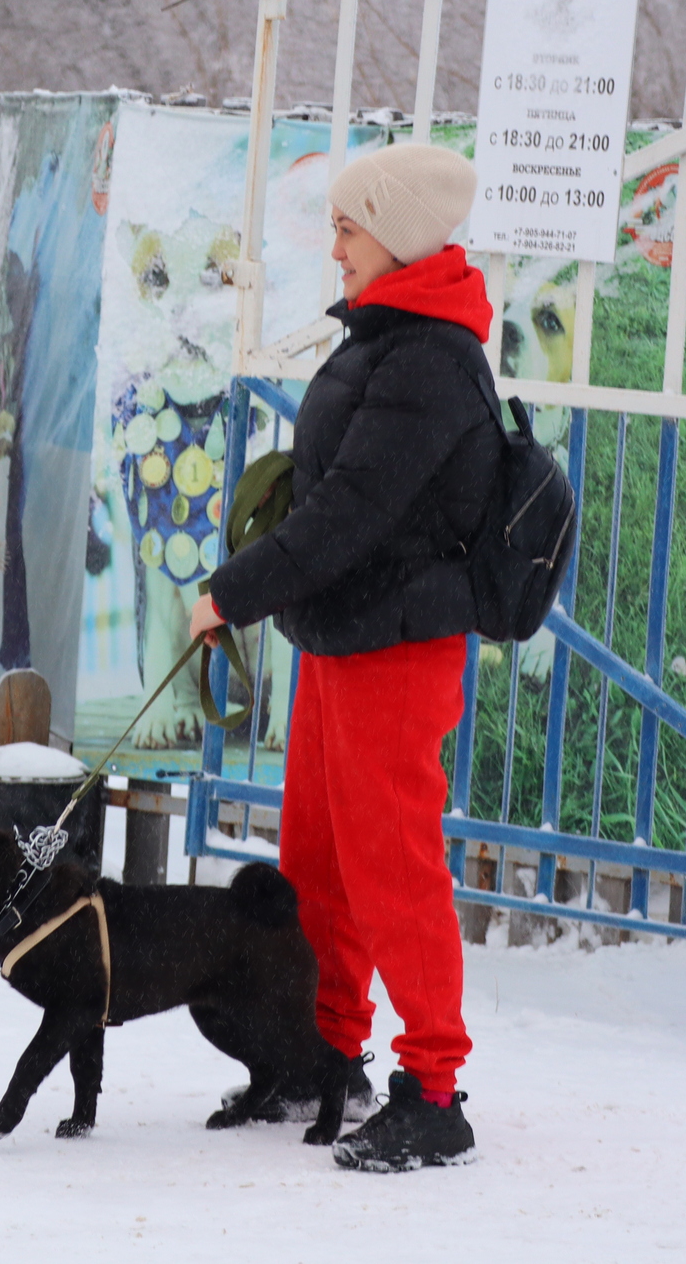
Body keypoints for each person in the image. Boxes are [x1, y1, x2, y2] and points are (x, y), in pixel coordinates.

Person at [188, 142, 497, 1172]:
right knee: (316, 862)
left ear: (394, 231)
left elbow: (350, 513)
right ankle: (326, 1053)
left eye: (346, 228)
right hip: (338, 635)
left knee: (391, 870)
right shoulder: (385, 334)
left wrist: (232, 591)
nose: (332, 249)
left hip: (397, 647)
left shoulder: (428, 359)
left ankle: (434, 1089)